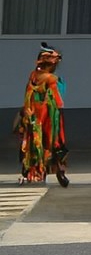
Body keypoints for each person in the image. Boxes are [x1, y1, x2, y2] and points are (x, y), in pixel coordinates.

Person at [15, 43, 69, 187]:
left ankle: (28, 171)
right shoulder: (51, 79)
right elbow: (57, 100)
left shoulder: (33, 75)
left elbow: (28, 94)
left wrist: (26, 110)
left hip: (32, 113)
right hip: (48, 116)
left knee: (32, 142)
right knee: (54, 143)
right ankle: (60, 172)